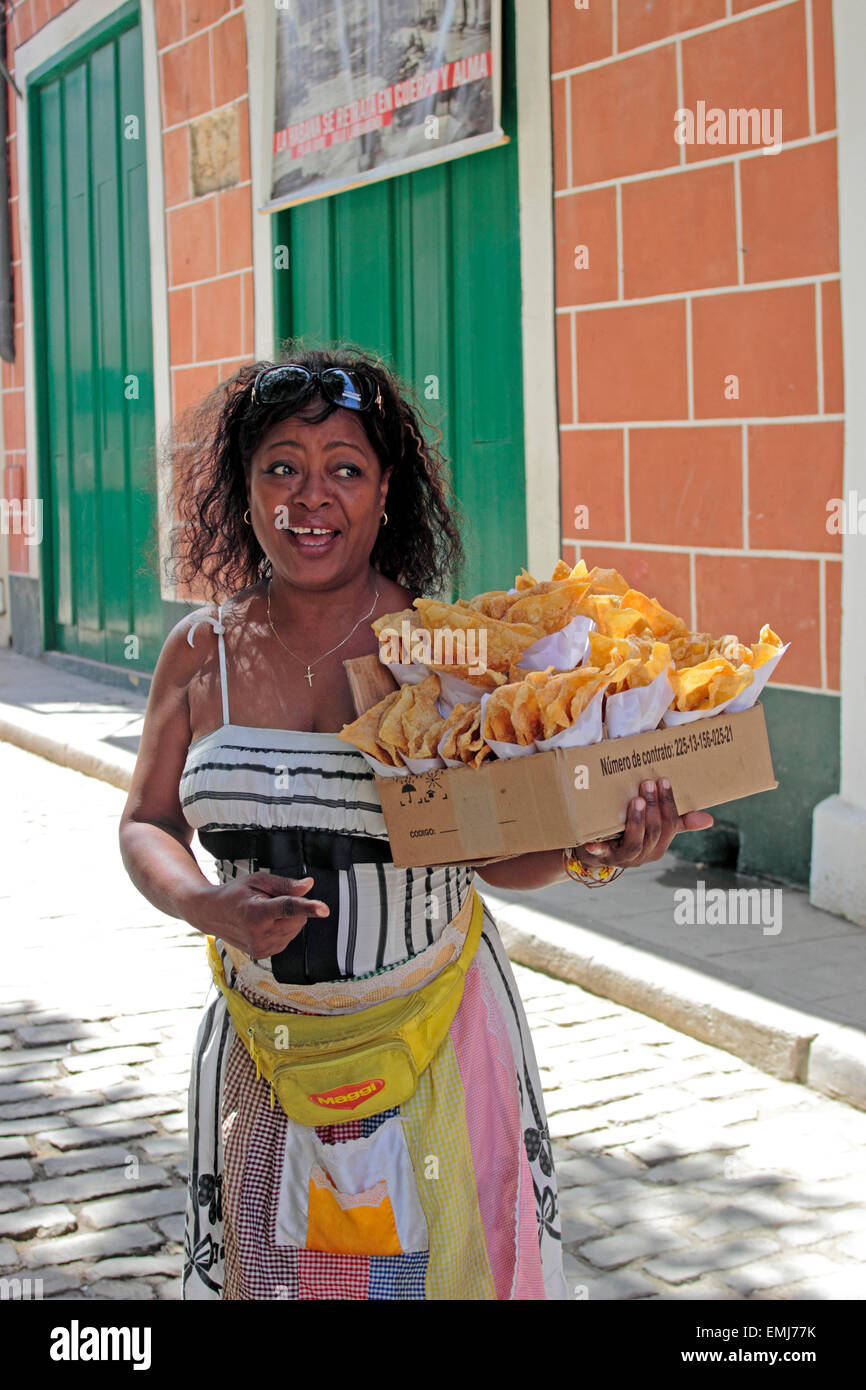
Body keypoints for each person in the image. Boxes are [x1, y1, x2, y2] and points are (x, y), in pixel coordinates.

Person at [118, 344, 713, 1301]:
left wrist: (595, 847)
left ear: (385, 490)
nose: (311, 498)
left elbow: (500, 857)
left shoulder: (449, 656)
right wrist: (205, 903)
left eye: (344, 469)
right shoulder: (199, 654)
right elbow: (145, 822)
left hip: (437, 1044)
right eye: (282, 467)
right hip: (267, 1055)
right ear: (243, 488)